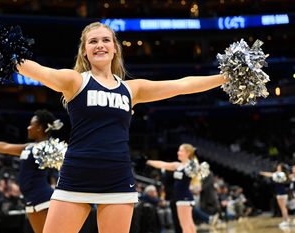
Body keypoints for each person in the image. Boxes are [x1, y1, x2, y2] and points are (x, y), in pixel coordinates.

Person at [16, 22, 227, 233]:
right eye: (93, 41)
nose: (100, 45)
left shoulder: (131, 89)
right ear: (85, 51)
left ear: (115, 48)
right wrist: (5, 55)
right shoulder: (75, 81)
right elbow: (39, 71)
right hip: (76, 176)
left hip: (117, 178)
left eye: (106, 40)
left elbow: (182, 85)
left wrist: (225, 77)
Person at [0, 109, 62, 233]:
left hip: (43, 198)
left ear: (40, 128)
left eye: (32, 124)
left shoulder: (48, 147)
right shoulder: (29, 147)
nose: (28, 127)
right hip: (30, 199)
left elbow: (65, 160)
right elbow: (5, 147)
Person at [146, 143, 199, 233]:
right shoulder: (178, 165)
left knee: (185, 225)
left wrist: (194, 165)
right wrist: (149, 162)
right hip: (181, 198)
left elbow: (197, 170)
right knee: (189, 224)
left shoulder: (190, 165)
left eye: (180, 151)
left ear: (187, 152)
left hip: (184, 198)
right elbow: (163, 164)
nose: (178, 153)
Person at [260, 163, 290, 229]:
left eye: (279, 167)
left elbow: (270, 174)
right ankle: (286, 220)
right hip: (281, 192)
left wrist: (263, 173)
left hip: (281, 192)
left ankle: (285, 221)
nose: (277, 167)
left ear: (281, 168)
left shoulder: (281, 174)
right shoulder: (280, 173)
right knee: (283, 207)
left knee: (283, 207)